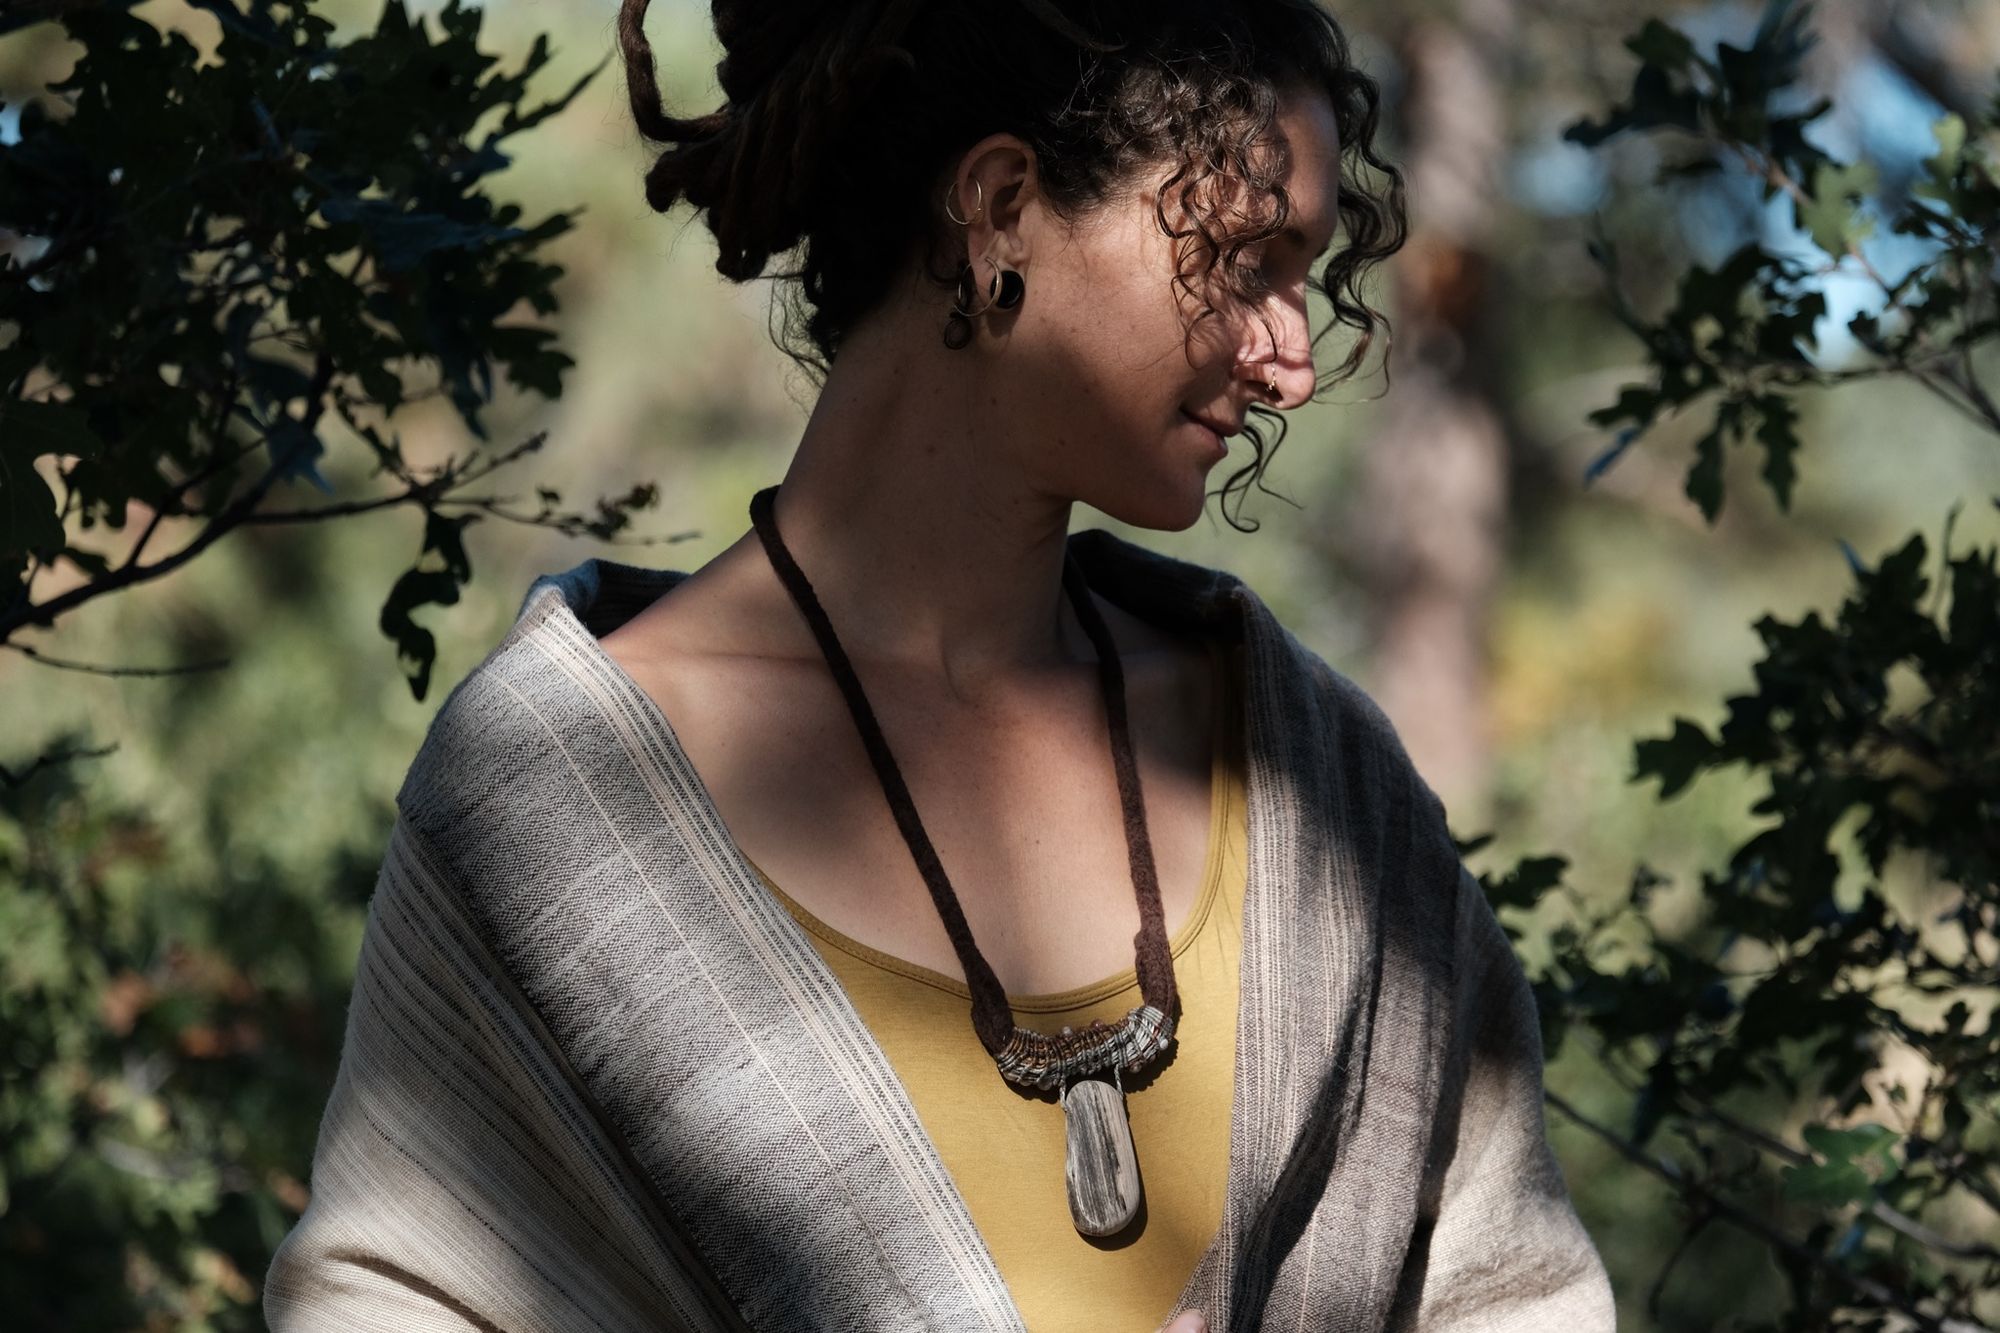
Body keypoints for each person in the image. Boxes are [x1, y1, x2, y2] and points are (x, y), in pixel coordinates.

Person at [263, 2, 1615, 1330]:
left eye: (1303, 278)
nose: (1292, 362)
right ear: (1002, 207)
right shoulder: (554, 800)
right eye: (1246, 260)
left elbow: (1515, 1292)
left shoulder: (1316, 781)